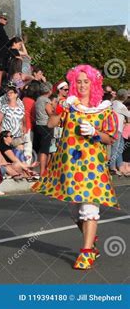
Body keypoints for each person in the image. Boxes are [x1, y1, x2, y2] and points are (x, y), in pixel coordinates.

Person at [32, 65, 119, 270]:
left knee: (89, 208)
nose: (81, 85)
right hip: (70, 165)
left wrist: (95, 133)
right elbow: (52, 124)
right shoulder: (69, 104)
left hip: (92, 166)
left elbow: (110, 138)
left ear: (94, 84)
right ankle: (91, 239)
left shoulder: (104, 108)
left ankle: (87, 251)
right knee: (75, 211)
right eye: (78, 81)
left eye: (85, 81)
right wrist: (60, 107)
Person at [34, 82, 55, 176]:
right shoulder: (46, 100)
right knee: (45, 150)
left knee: (42, 148)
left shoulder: (38, 99)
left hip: (38, 125)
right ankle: (43, 172)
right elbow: (50, 113)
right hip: (46, 126)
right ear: (49, 91)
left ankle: (42, 170)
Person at [110, 89, 130, 175]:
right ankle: (113, 167)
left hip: (116, 129)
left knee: (120, 147)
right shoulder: (121, 106)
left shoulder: (114, 103)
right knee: (116, 149)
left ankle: (120, 166)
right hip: (117, 130)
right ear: (125, 97)